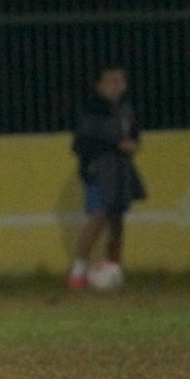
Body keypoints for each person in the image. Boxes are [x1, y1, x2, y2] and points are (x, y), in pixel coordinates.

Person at [68, 65, 143, 289]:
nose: (116, 85)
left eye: (120, 80)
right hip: (98, 172)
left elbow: (133, 135)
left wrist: (133, 144)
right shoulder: (91, 110)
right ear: (100, 85)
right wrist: (115, 145)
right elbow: (80, 143)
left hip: (120, 170)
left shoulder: (126, 109)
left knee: (117, 219)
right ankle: (78, 271)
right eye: (111, 81)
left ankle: (114, 268)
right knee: (98, 216)